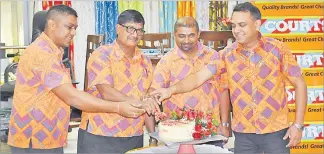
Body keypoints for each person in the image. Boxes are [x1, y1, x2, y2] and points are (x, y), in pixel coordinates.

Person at [151, 2, 307, 154]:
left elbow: (300, 84)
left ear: (257, 24)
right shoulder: (226, 55)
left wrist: (298, 125)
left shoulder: (277, 49)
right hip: (244, 135)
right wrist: (170, 90)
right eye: (233, 26)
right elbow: (198, 77)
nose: (236, 30)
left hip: (276, 131)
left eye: (242, 25)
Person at [7, 5, 159, 154]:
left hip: (51, 136)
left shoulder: (55, 52)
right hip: (35, 137)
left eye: (139, 30)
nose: (73, 33)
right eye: (69, 27)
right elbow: (73, 96)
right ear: (52, 24)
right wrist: (119, 107)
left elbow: (146, 96)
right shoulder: (42, 53)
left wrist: (152, 134)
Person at [77, 10, 159, 154]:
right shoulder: (102, 55)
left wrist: (153, 136)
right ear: (118, 28)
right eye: (130, 29)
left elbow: (147, 101)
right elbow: (106, 92)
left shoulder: (145, 61)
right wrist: (140, 102)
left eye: (139, 30)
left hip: (134, 135)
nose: (135, 35)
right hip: (100, 133)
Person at [151, 16, 229, 139]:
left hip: (211, 128)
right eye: (181, 36)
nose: (186, 40)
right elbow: (154, 92)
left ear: (199, 34)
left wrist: (225, 123)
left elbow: (223, 90)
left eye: (191, 35)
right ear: (174, 35)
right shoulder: (166, 61)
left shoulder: (213, 56)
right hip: (177, 131)